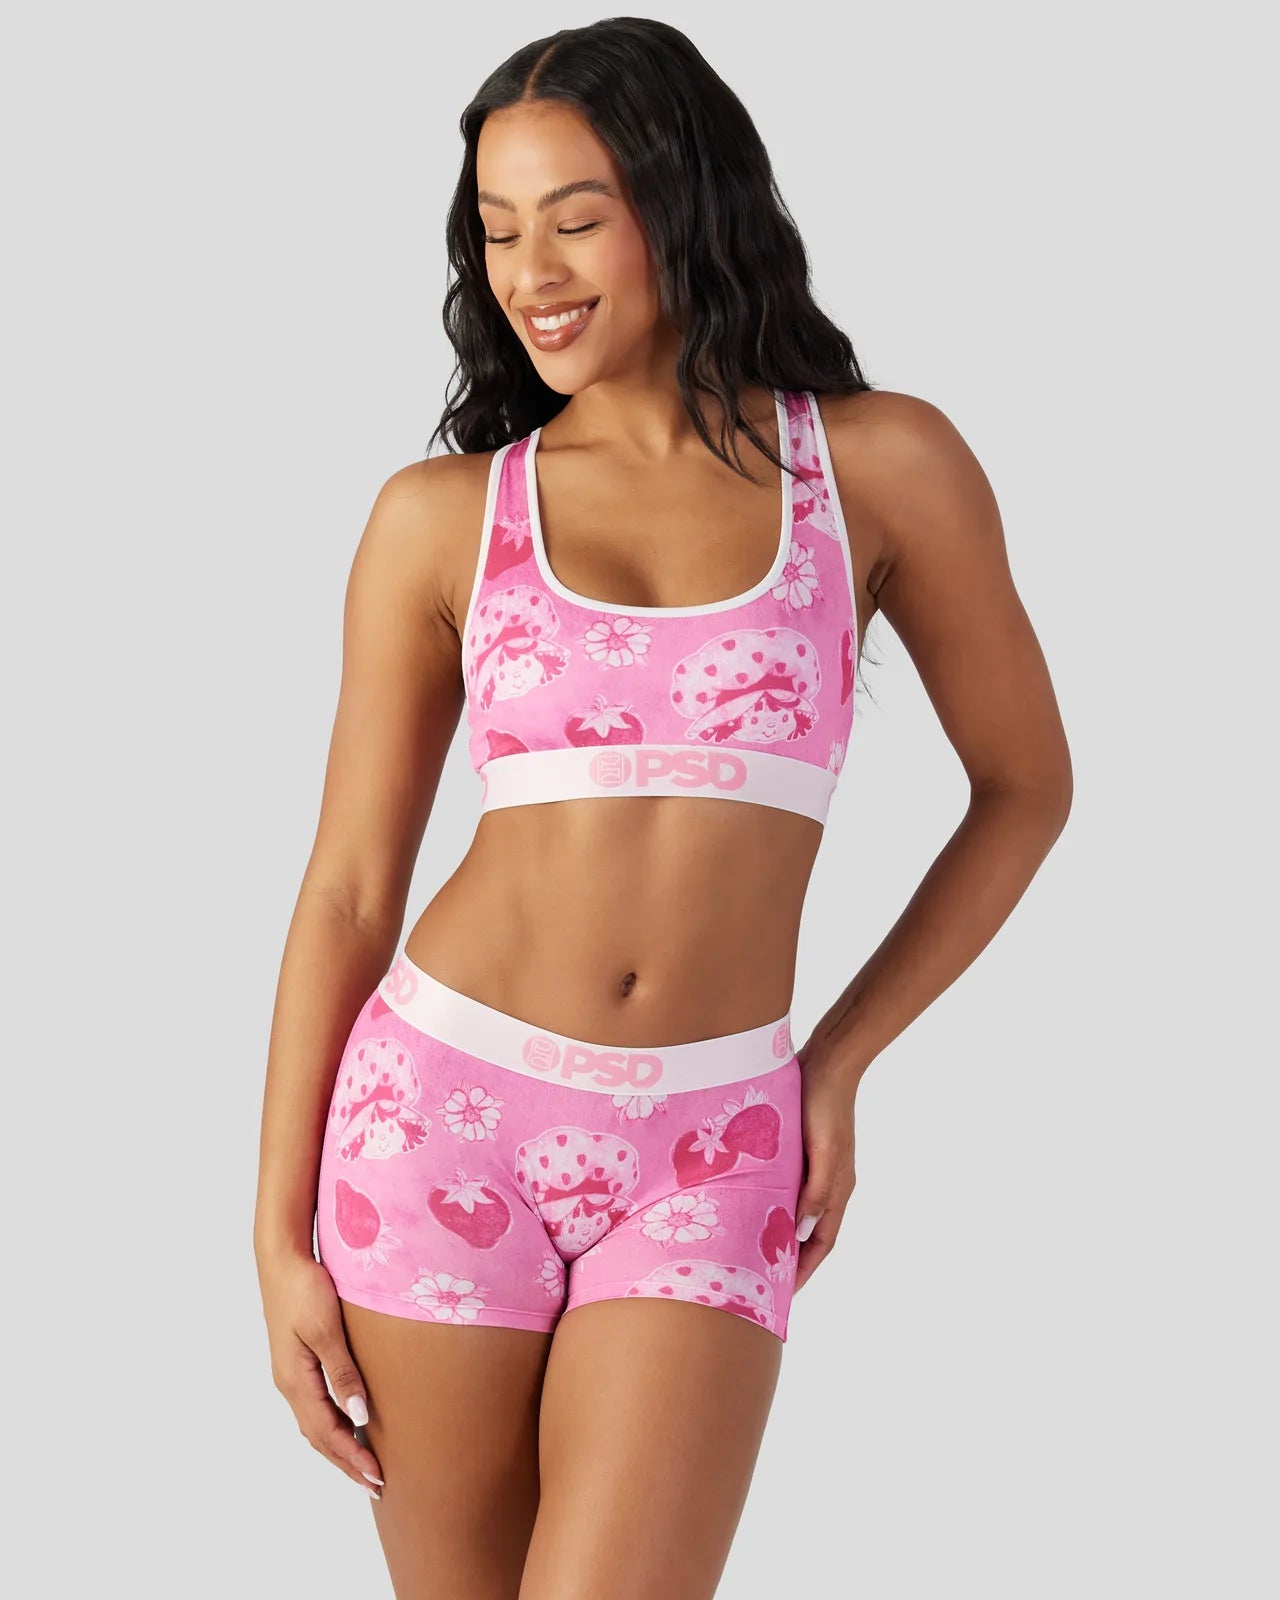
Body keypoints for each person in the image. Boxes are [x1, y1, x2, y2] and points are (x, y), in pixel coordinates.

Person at [253, 17, 1072, 1599]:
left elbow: (1027, 787)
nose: (531, 273)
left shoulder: (880, 467)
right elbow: (350, 886)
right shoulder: (442, 518)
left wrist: (836, 1060)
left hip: (714, 1144)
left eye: (575, 219)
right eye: (497, 231)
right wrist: (274, 1234)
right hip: (438, 1119)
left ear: (685, 204)